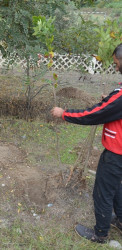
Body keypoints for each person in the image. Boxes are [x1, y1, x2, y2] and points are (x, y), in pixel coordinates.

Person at [51, 43, 122, 243]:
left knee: (103, 191)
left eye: (117, 64)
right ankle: (121, 221)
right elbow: (113, 105)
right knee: (115, 186)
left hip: (116, 153)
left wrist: (64, 113)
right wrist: (109, 101)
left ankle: (100, 233)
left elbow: (94, 114)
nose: (116, 67)